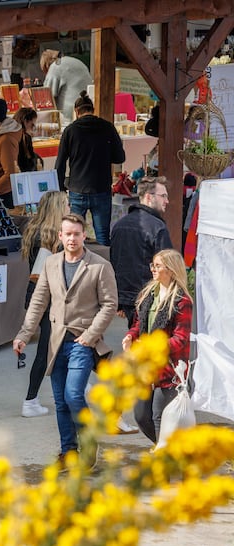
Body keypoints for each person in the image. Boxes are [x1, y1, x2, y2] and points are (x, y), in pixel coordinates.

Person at [13, 213, 117, 467]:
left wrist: (90, 336)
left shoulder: (100, 266)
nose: (72, 238)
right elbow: (39, 302)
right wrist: (24, 334)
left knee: (73, 395)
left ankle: (89, 442)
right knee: (60, 401)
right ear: (60, 236)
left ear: (84, 236)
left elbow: (109, 304)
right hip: (55, 342)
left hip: (82, 341)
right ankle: (68, 451)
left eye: (76, 234)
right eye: (67, 234)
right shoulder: (51, 263)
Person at [122, 249, 192, 445]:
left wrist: (153, 347)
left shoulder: (181, 301)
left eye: (158, 265)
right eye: (153, 265)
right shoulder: (148, 295)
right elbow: (139, 324)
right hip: (145, 368)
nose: (153, 269)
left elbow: (180, 339)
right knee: (141, 416)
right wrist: (131, 335)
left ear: (170, 270)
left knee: (159, 418)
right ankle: (170, 451)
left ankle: (166, 463)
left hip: (168, 371)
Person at [19, 191, 69, 417]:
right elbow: (40, 275)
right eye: (66, 204)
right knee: (46, 349)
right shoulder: (48, 239)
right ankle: (30, 401)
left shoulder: (36, 232)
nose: (69, 207)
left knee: (53, 347)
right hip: (48, 300)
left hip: (43, 298)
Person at [55, 91, 125, 246]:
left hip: (77, 189)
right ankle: (104, 268)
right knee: (102, 236)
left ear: (77, 111)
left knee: (73, 236)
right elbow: (120, 158)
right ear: (92, 110)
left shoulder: (70, 131)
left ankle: (75, 267)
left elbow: (60, 164)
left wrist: (60, 189)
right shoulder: (107, 128)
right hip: (101, 189)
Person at [110, 176, 173, 327]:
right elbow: (167, 267)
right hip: (150, 298)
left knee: (135, 340)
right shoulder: (157, 227)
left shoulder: (119, 225)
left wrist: (120, 299)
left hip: (128, 298)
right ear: (149, 197)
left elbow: (114, 263)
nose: (167, 201)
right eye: (163, 196)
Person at [40, 49, 92, 125]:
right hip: (87, 110)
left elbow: (46, 98)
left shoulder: (55, 66)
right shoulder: (77, 62)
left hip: (68, 117)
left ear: (46, 65)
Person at [14, 107, 43, 173]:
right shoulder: (25, 138)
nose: (32, 128)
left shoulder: (10, 134)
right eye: (32, 125)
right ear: (25, 121)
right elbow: (28, 163)